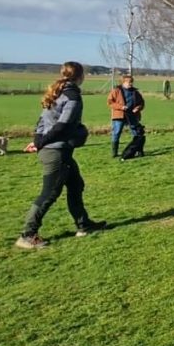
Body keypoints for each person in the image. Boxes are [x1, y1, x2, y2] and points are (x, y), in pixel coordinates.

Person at [15, 61, 105, 249]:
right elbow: (62, 125)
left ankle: (84, 225)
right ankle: (27, 234)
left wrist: (38, 140)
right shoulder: (71, 96)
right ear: (81, 76)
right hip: (55, 152)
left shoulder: (57, 92)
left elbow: (41, 123)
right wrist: (41, 142)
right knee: (49, 193)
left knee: (75, 184)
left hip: (55, 149)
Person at [107, 73, 145, 158]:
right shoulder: (116, 91)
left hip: (132, 115)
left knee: (136, 133)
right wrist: (121, 107)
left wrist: (137, 108)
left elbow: (142, 103)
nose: (131, 84)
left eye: (132, 82)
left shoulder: (135, 92)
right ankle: (115, 152)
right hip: (119, 115)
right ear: (123, 82)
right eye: (129, 82)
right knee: (116, 133)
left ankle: (139, 151)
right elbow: (110, 102)